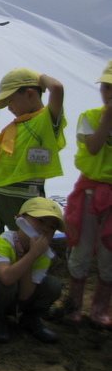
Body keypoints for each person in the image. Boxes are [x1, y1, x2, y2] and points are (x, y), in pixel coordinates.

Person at [61, 60, 112, 328]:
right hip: (90, 191)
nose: (108, 92)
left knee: (109, 253)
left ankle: (100, 310)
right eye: (106, 87)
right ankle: (74, 306)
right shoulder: (90, 117)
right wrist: (108, 117)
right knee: (80, 247)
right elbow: (92, 148)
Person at [0, 68, 65, 234]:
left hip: (24, 197)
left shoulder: (45, 121)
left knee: (29, 241)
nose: (9, 108)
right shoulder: (15, 126)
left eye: (11, 101)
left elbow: (56, 88)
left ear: (30, 94)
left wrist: (40, 78)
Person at [0, 197, 63, 344]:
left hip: (19, 297)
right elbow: (6, 278)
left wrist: (32, 256)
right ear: (21, 220)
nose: (45, 229)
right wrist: (32, 255)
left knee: (53, 286)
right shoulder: (5, 240)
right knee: (6, 285)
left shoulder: (43, 254)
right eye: (40, 221)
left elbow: (25, 295)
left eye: (52, 227)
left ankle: (30, 319)